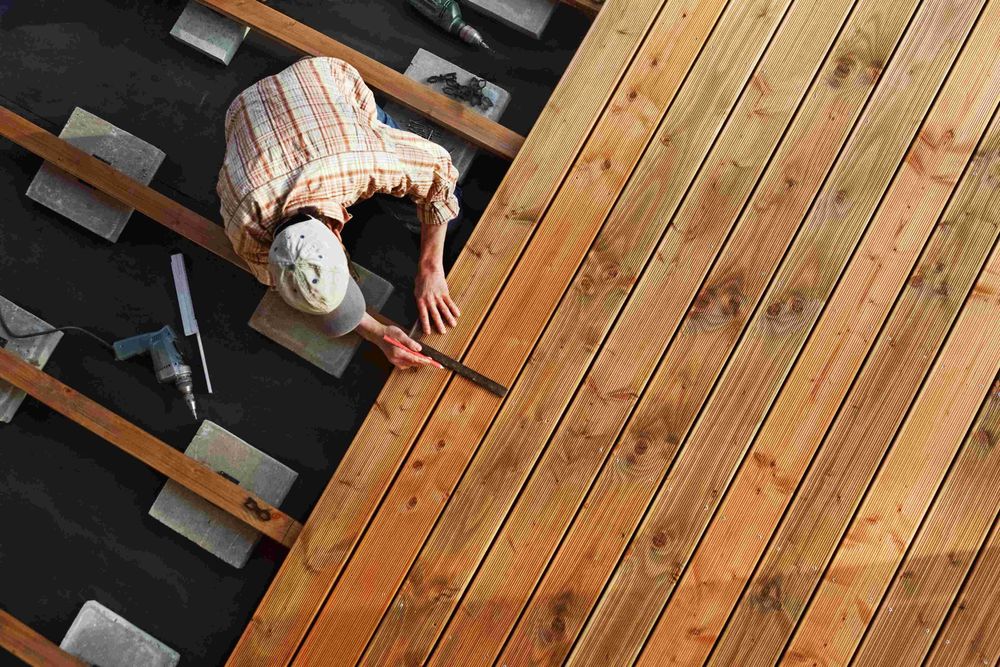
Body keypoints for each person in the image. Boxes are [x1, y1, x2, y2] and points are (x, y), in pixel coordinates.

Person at [218, 57, 462, 369]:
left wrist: (431, 268)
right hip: (245, 113)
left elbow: (439, 171)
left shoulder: (362, 160)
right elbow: (285, 283)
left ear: (338, 233)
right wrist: (378, 334)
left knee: (430, 202)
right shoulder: (244, 228)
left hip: (319, 82)